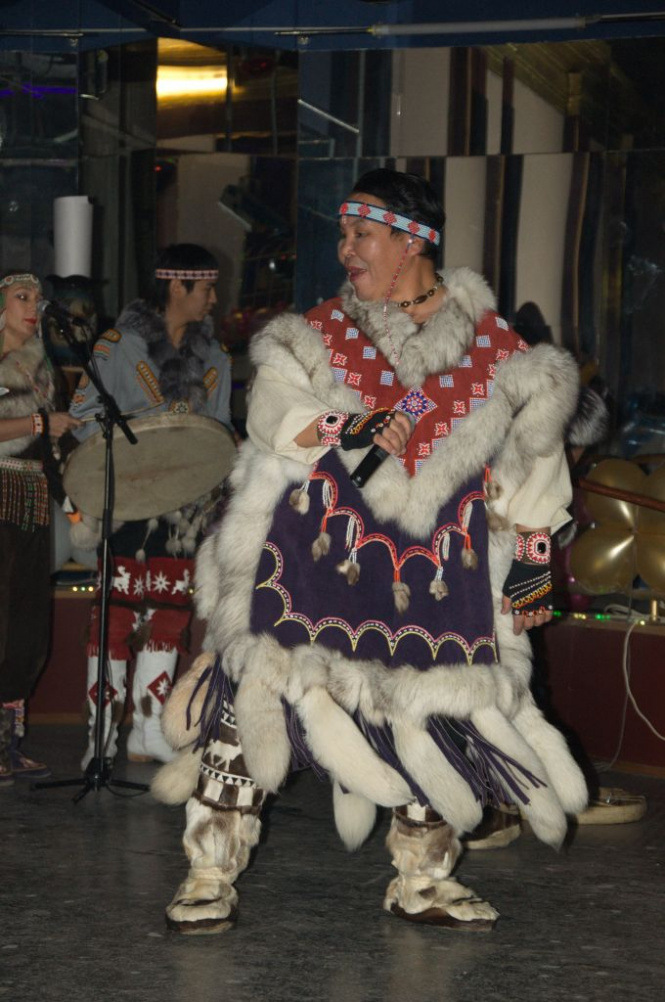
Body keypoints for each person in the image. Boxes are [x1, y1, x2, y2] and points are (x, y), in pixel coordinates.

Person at [153, 170, 588, 934]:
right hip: (315, 557)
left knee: (433, 716)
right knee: (256, 704)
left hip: (438, 575)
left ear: (412, 241)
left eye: (363, 234)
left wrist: (527, 575)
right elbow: (272, 412)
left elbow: (535, 469)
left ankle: (423, 877)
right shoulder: (315, 334)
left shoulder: (498, 353)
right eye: (343, 234)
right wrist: (344, 428)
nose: (345, 248)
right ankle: (209, 867)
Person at [69, 244, 232, 770]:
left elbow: (221, 435)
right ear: (177, 286)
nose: (213, 298)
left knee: (169, 616)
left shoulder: (215, 357)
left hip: (183, 509)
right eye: (206, 288)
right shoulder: (117, 347)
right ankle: (99, 737)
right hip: (125, 500)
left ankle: (148, 729)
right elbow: (82, 417)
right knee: (114, 619)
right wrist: (133, 448)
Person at [0, 271, 81, 787]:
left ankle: (8, 744)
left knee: (27, 623)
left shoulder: (44, 370)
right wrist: (37, 424)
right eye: (21, 297)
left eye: (37, 298)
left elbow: (53, 449)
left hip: (31, 500)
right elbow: (36, 428)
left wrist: (74, 504)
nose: (33, 307)